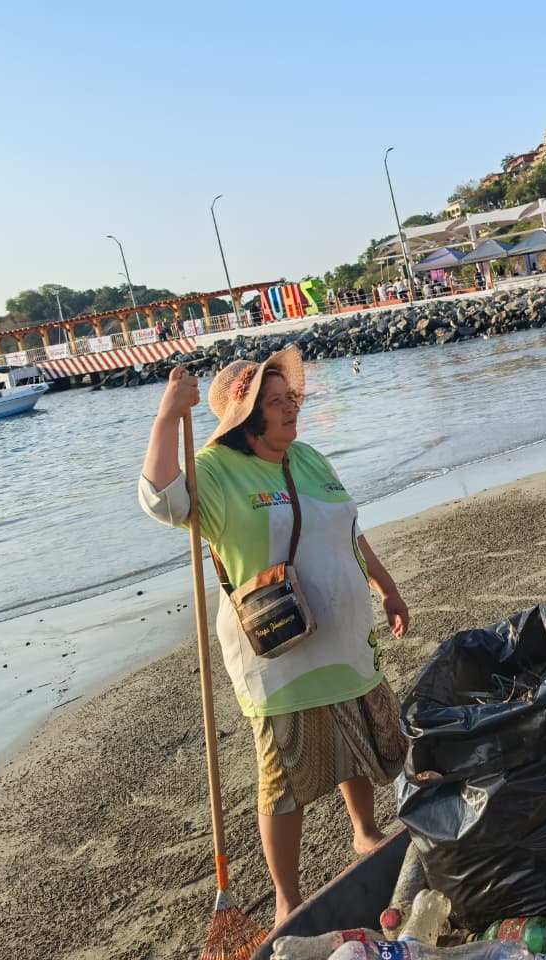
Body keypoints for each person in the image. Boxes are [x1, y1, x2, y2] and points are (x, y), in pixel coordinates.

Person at [138, 346, 410, 924]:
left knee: (356, 735)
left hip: (345, 637)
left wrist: (386, 587)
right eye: (278, 401)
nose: (292, 409)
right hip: (278, 653)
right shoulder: (213, 469)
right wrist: (167, 417)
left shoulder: (309, 457)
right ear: (246, 415)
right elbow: (161, 498)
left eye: (294, 399)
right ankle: (288, 896)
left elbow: (349, 530)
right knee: (282, 776)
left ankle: (365, 832)